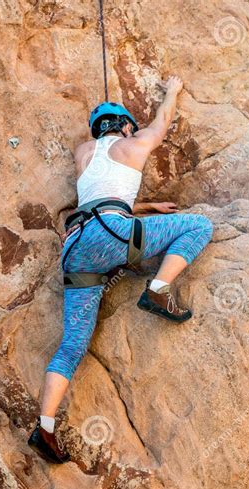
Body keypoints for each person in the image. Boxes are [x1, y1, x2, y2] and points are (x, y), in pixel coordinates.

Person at [28, 76, 213, 463]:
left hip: (78, 246)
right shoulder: (135, 142)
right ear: (127, 126)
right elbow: (161, 123)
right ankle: (157, 291)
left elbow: (101, 194)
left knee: (73, 344)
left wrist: (146, 208)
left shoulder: (82, 152)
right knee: (199, 227)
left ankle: (44, 428)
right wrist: (173, 92)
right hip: (113, 233)